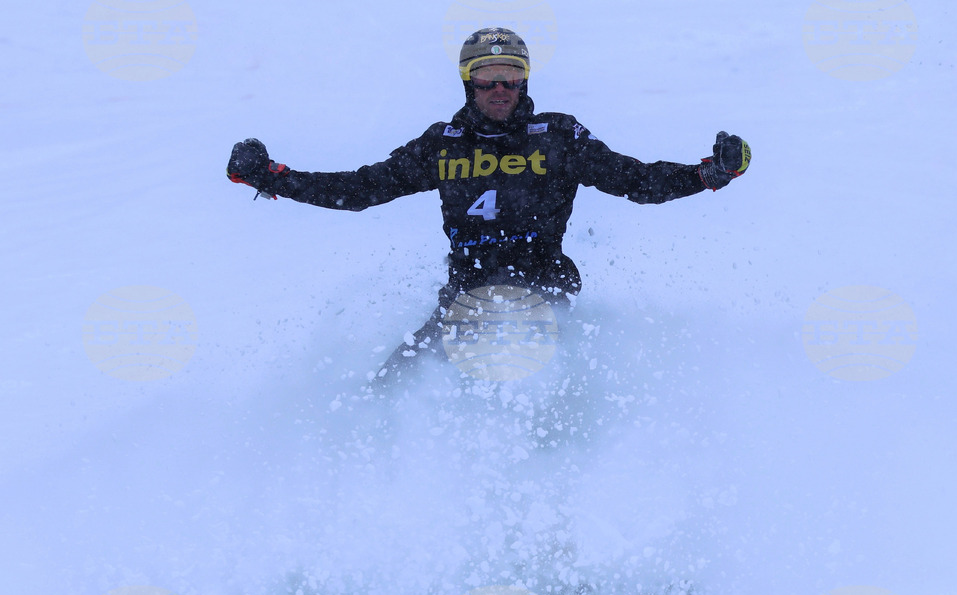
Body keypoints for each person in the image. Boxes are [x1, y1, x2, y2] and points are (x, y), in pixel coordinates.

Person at [226, 27, 750, 388]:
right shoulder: (443, 144)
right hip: (466, 298)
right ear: (468, 83)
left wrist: (710, 173)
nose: (500, 88)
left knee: (569, 384)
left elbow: (636, 181)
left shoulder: (559, 135)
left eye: (511, 77)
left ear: (525, 81)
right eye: (487, 77)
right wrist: (272, 177)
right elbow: (361, 190)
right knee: (389, 388)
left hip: (544, 287)